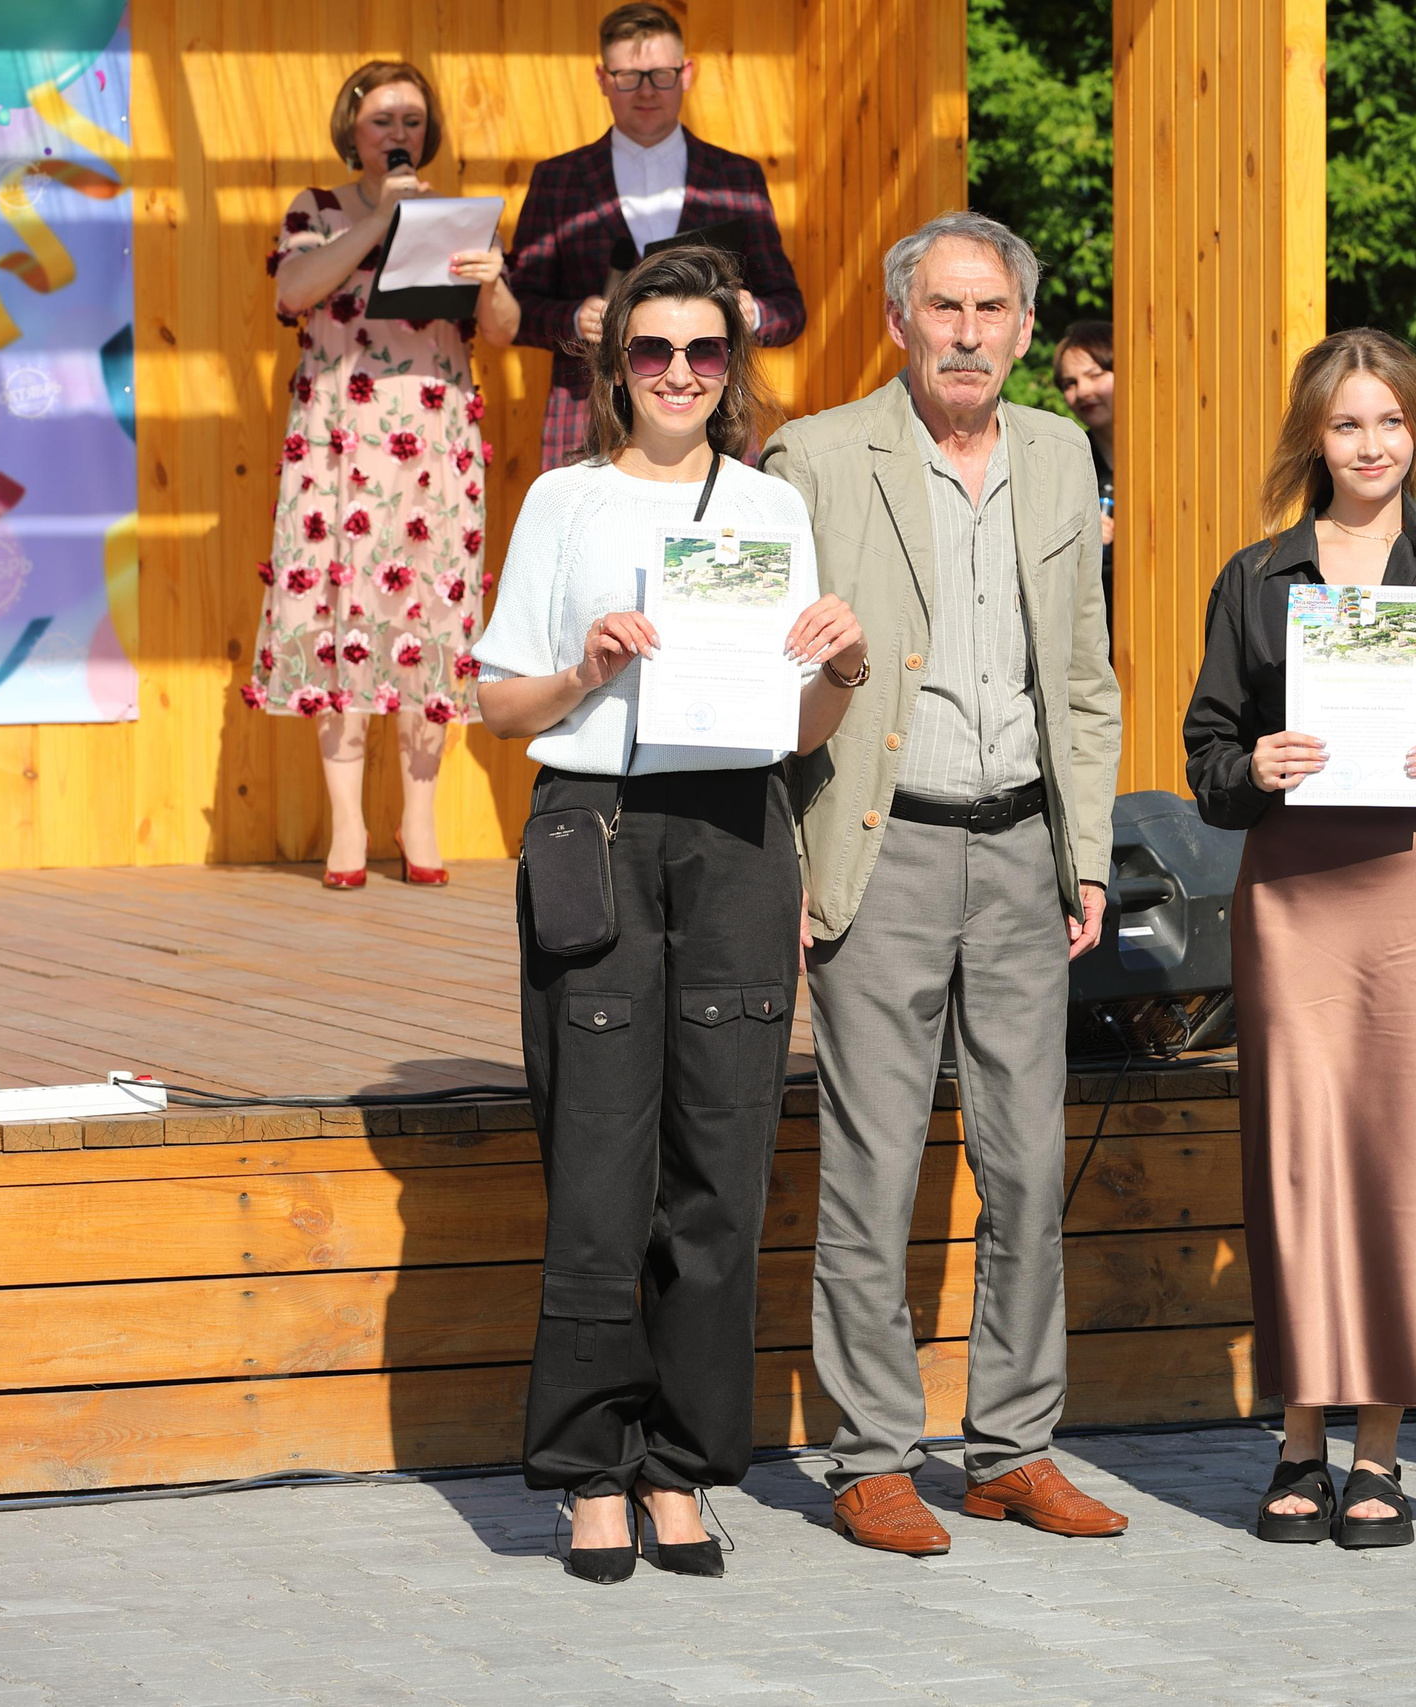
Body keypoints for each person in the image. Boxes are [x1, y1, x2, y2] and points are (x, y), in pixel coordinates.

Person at [472, 245, 867, 1585]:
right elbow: (498, 704)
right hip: (596, 829)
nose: (681, 375)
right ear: (617, 366)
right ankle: (590, 1469)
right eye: (655, 353)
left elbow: (800, 722)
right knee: (598, 1168)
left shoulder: (767, 504)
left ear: (731, 365)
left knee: (719, 1170)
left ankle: (689, 1466)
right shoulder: (564, 501)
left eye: (704, 352)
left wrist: (845, 670)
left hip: (741, 839)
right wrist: (584, 663)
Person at [761, 212, 1124, 1557]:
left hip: (1025, 846)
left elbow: (1082, 673)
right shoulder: (813, 458)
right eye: (945, 310)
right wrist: (795, 855)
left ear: (1026, 329)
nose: (968, 333)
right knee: (871, 1159)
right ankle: (868, 1453)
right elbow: (772, 682)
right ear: (901, 319)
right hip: (881, 839)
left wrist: (1085, 848)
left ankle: (1013, 1445)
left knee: (1027, 1162)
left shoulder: (1057, 449)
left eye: (993, 312)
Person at [1181, 329, 1416, 1548]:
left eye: (1390, 423)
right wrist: (1253, 764)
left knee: (1411, 1160)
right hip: (1295, 896)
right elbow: (1207, 751)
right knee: (1300, 1159)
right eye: (1346, 425)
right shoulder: (1256, 577)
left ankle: (1378, 1452)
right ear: (1312, 439)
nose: (1371, 445)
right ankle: (1297, 1442)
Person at [245, 60, 519, 888]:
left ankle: (420, 817)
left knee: (428, 616)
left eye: (409, 120)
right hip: (338, 438)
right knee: (337, 614)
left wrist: (494, 278)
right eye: (380, 121)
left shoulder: (462, 217)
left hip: (433, 440)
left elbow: (502, 332)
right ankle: (348, 826)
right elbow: (296, 289)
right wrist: (383, 225)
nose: (397, 134)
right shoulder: (316, 210)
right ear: (352, 130)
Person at [506, 2, 806, 473]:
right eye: (628, 76)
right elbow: (517, 308)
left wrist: (752, 313)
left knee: (710, 548)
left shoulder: (735, 176)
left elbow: (790, 309)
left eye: (661, 75)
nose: (646, 91)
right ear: (602, 79)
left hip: (713, 419)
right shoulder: (558, 178)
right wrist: (573, 316)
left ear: (686, 74)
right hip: (589, 420)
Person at [1050, 321, 1117, 618]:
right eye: (1070, 384)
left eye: (1095, 375)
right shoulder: (1064, 463)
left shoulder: (1169, 457)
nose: (1083, 391)